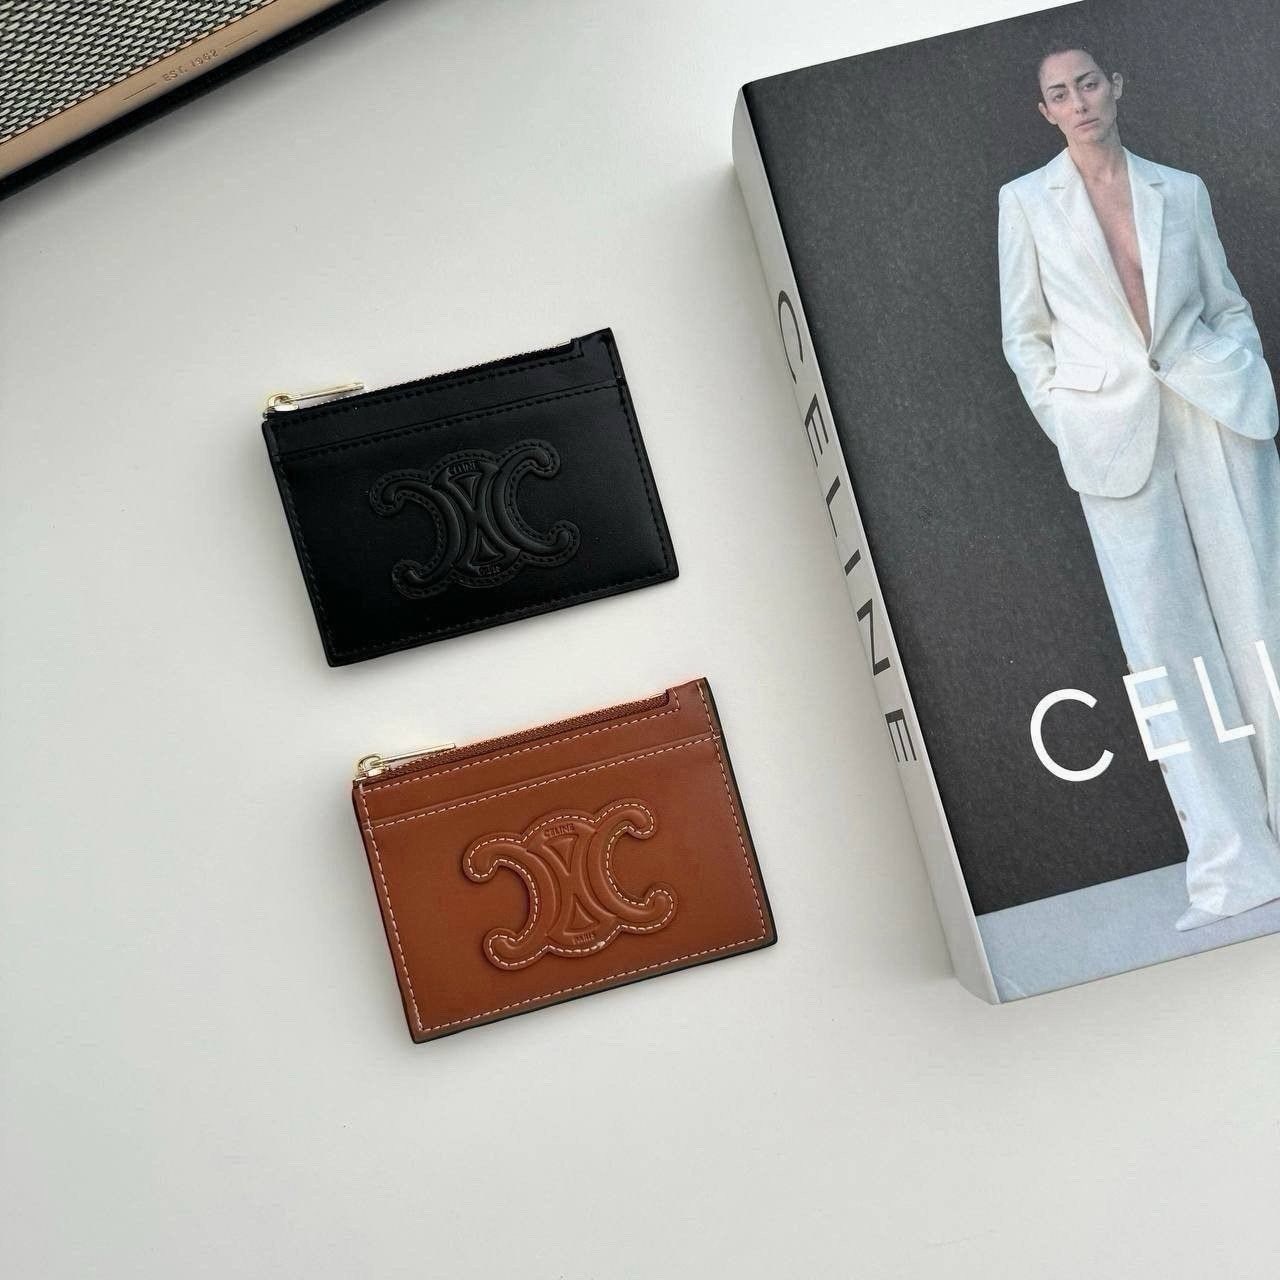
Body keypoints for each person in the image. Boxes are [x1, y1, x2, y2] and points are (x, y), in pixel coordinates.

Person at [998, 43, 1280, 929]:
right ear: (1045, 112)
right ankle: (1234, 863)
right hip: (1112, 431)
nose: (1078, 101)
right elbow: (1024, 336)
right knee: (1165, 645)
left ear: (1115, 87)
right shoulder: (1024, 203)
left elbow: (1226, 302)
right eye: (1060, 93)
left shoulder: (1180, 190)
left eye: (1088, 83)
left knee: (1262, 617)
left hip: (1212, 409)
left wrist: (1243, 370)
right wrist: (1068, 419)